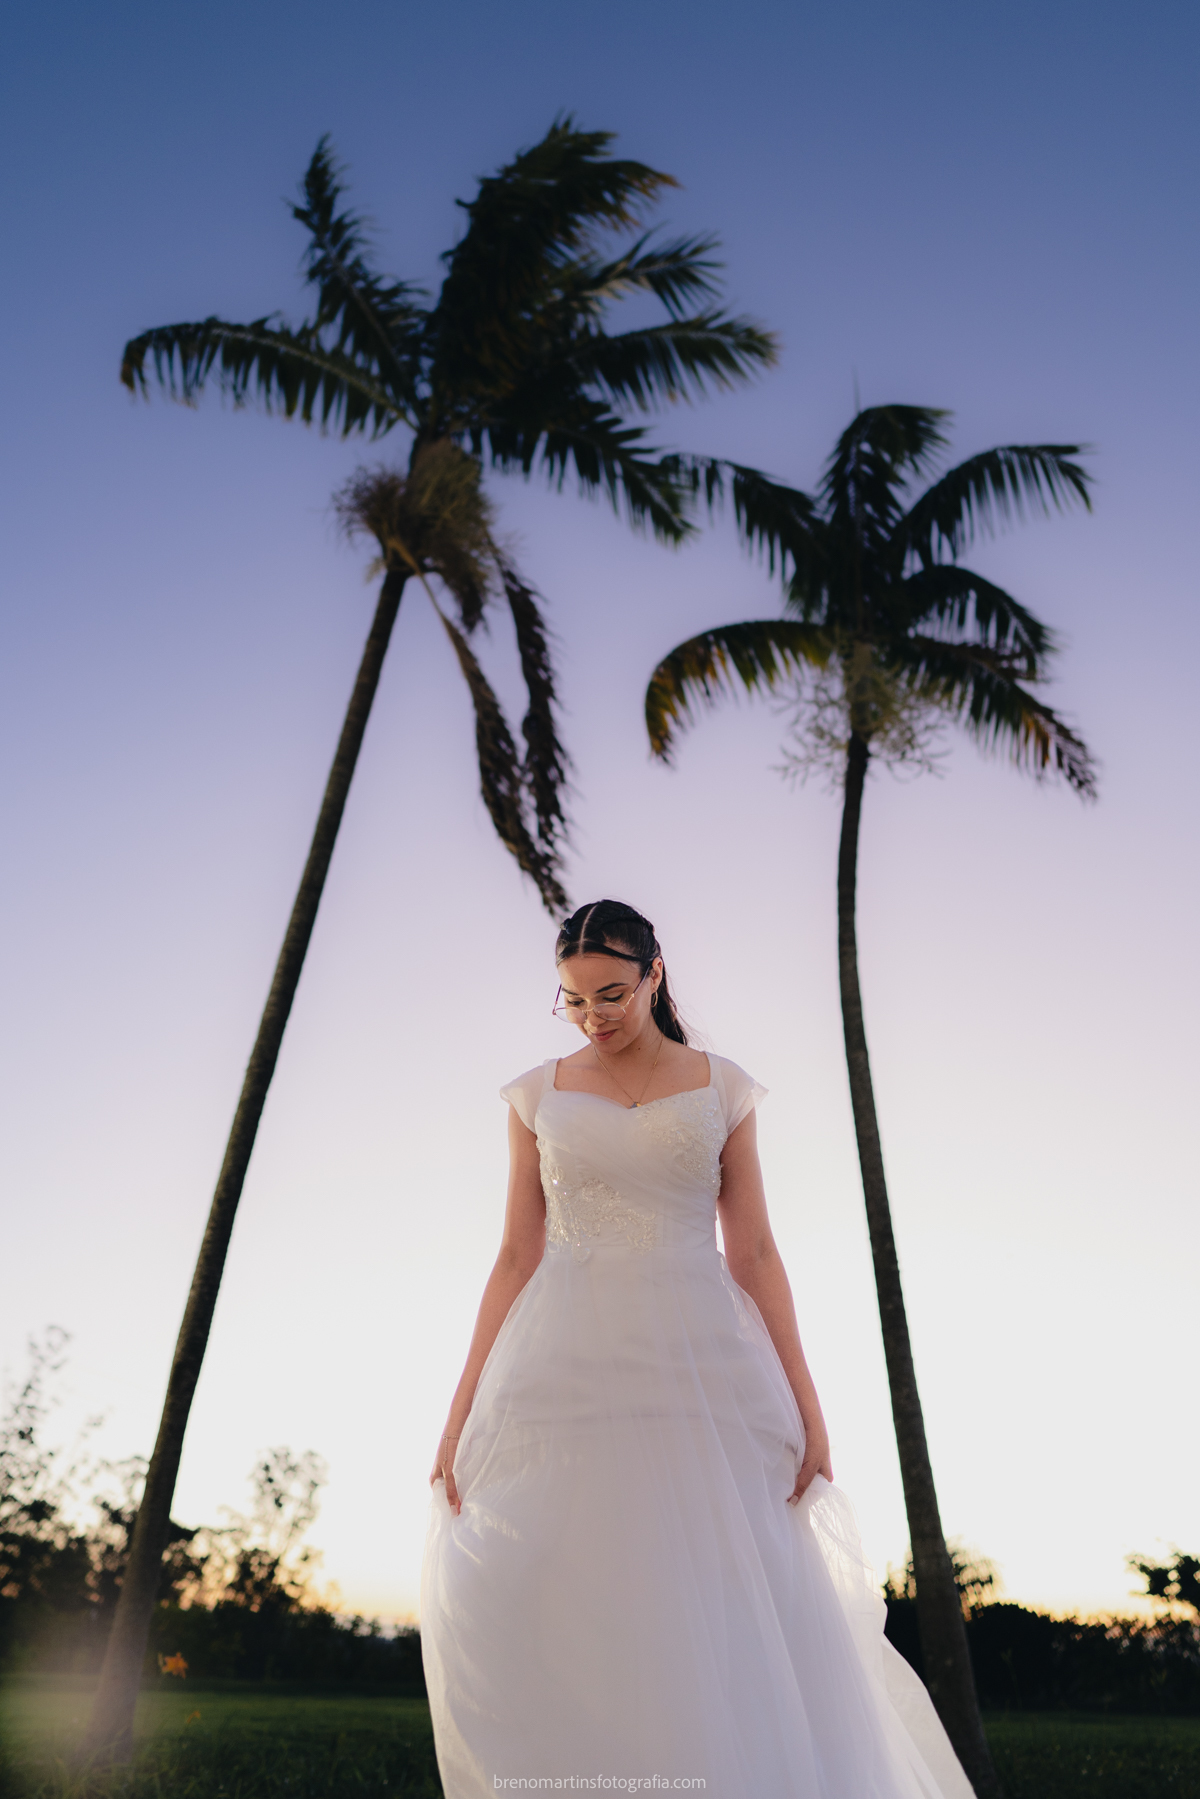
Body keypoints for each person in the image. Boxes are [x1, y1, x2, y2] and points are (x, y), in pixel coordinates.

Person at [421, 900, 973, 1798]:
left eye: (611, 993)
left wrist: (809, 1407)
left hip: (704, 1363)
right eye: (572, 1000)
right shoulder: (534, 1095)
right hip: (562, 1366)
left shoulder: (723, 1086)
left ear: (655, 974)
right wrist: (456, 1420)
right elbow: (516, 1254)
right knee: (553, 1584)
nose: (594, 1016)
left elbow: (752, 1251)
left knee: (716, 1596)